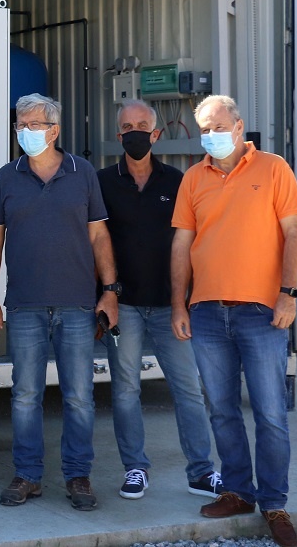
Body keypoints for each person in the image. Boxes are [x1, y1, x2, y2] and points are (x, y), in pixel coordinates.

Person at [170, 95, 297, 547]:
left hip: (262, 313)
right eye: (204, 128)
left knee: (270, 413)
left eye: (218, 125)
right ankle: (237, 492)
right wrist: (179, 304)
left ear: (238, 125)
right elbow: (182, 244)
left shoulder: (274, 168)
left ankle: (275, 504)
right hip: (207, 313)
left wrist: (288, 294)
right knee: (222, 410)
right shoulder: (194, 178)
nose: (211, 134)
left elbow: (295, 231)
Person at [0, 93, 120, 512]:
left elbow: (99, 234)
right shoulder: (7, 176)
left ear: (54, 130)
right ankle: (28, 475)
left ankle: (78, 475)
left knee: (79, 396)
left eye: (34, 125)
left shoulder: (82, 173)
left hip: (77, 305)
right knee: (25, 395)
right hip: (24, 305)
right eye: (20, 125)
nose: (25, 131)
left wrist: (110, 291)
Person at [97, 100, 222, 501]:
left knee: (188, 389)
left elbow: (192, 241)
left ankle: (201, 471)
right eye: (126, 127)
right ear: (118, 135)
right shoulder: (101, 182)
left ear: (155, 134)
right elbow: (94, 241)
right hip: (124, 306)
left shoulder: (177, 181)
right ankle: (135, 468)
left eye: (141, 126)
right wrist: (104, 296)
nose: (134, 132)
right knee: (125, 390)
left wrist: (188, 299)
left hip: (172, 305)